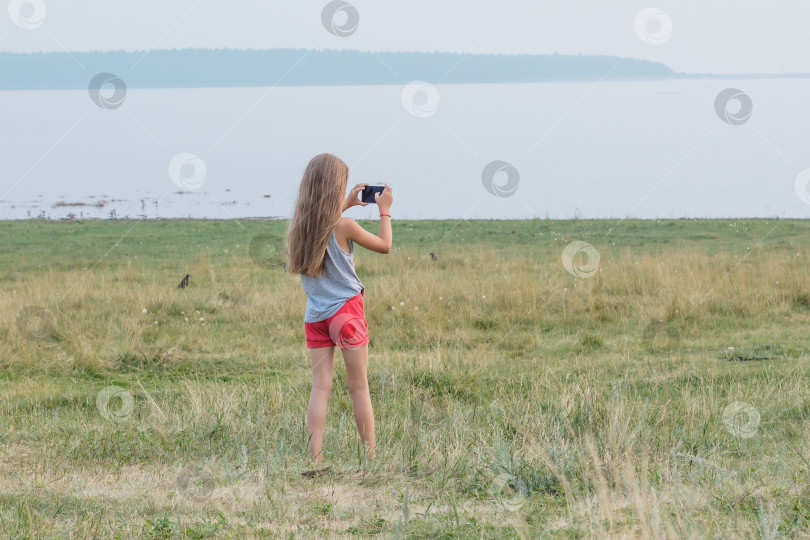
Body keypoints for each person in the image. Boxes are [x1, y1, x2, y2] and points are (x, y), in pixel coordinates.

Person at [285, 153, 393, 474]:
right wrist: (384, 211)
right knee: (358, 386)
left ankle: (313, 459)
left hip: (316, 318)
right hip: (346, 314)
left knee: (320, 387)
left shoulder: (300, 229)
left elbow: (323, 226)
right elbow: (385, 246)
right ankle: (369, 458)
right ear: (336, 188)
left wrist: (344, 204)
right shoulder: (345, 226)